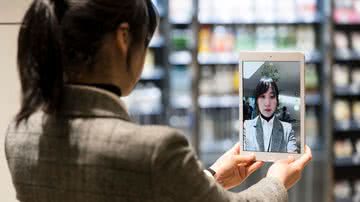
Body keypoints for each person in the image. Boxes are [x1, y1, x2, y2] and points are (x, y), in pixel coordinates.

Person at [5, 0, 311, 201]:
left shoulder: (21, 134)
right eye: (145, 41)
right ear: (123, 39)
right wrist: (277, 181)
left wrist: (210, 176)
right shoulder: (154, 150)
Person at [244, 77, 298, 153]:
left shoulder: (287, 129)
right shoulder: (246, 126)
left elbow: (292, 158)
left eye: (272, 97)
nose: (267, 103)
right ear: (257, 101)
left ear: (277, 100)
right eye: (262, 96)